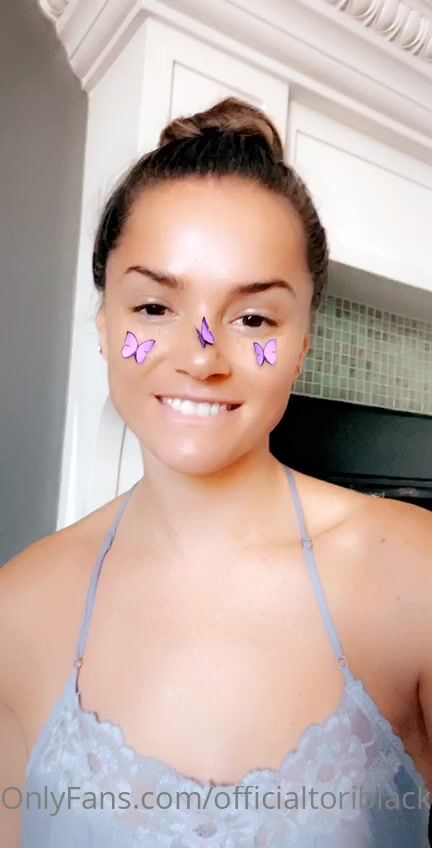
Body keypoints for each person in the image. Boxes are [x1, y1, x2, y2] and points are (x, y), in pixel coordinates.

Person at [0, 96, 431, 848]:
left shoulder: (412, 574)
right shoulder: (19, 606)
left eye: (254, 318)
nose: (201, 357)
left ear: (302, 344)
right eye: (153, 307)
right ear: (104, 323)